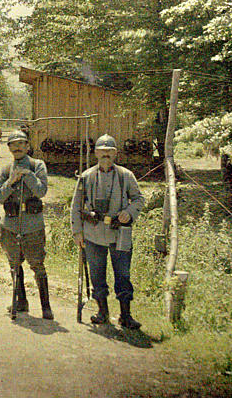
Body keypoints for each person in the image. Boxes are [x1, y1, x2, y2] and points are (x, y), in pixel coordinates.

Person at [70, 134, 145, 329]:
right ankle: (102, 312)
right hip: (93, 234)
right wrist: (77, 232)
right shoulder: (86, 177)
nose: (106, 155)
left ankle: (126, 315)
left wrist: (129, 213)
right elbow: (76, 206)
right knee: (97, 275)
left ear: (115, 153)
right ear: (95, 153)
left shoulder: (126, 176)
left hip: (119, 234)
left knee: (123, 275)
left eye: (109, 151)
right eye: (102, 151)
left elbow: (138, 199)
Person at [0, 130, 53, 319]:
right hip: (10, 225)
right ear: (9, 148)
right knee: (14, 264)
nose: (18, 147)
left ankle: (45, 306)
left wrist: (27, 175)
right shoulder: (6, 169)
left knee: (37, 264)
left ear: (28, 146)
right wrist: (11, 181)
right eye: (13, 144)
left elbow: (41, 191)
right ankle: (20, 302)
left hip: (32, 226)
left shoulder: (38, 166)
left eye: (21, 143)